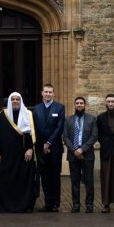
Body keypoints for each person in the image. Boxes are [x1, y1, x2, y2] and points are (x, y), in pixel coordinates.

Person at [0, 92, 37, 213]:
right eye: (13, 99)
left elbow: (33, 134)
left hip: (24, 155)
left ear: (21, 101)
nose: (15, 101)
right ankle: (7, 207)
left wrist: (30, 149)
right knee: (7, 180)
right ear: (9, 101)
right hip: (8, 156)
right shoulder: (3, 114)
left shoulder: (28, 114)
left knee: (23, 181)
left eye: (18, 99)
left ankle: (24, 206)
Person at [32, 84, 65, 212]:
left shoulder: (60, 107)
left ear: (53, 93)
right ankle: (48, 203)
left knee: (55, 176)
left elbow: (59, 127)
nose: (48, 94)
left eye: (50, 92)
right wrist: (42, 145)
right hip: (41, 148)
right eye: (46, 92)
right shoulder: (37, 109)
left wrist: (49, 143)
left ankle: (56, 203)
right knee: (44, 177)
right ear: (42, 93)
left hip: (55, 148)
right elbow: (35, 128)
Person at [64, 96, 98, 213]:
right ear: (74, 105)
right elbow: (66, 137)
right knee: (75, 181)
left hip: (87, 155)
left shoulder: (92, 119)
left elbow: (94, 136)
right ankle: (75, 205)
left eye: (81, 103)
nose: (79, 105)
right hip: (73, 155)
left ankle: (89, 205)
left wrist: (82, 149)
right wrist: (74, 150)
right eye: (77, 103)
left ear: (85, 105)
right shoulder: (68, 120)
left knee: (89, 181)